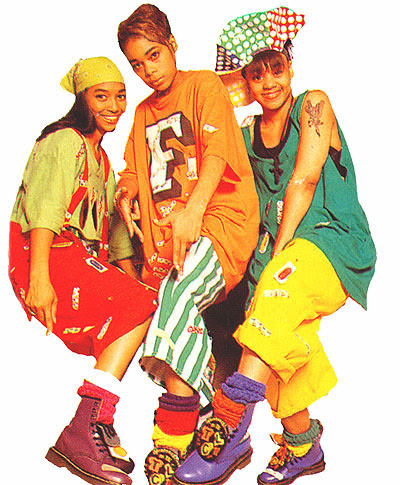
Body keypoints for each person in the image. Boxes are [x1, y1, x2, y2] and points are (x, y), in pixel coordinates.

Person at [174, 7, 376, 485]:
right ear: (246, 80)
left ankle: (228, 428)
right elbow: (216, 178)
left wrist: (276, 255)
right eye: (256, 74)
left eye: (276, 69)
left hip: (329, 242)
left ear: (290, 67)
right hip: (276, 259)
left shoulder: (314, 105)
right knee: (272, 336)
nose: (268, 82)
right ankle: (303, 443)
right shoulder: (245, 135)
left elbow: (303, 181)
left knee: (274, 295)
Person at [115, 4, 259, 483]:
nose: (148, 71)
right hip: (168, 243)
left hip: (219, 224)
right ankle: (207, 420)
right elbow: (134, 169)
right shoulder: (141, 113)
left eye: (154, 55)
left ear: (173, 44)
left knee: (178, 296)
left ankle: (172, 440)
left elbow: (217, 154)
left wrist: (194, 211)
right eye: (137, 64)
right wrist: (126, 193)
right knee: (161, 317)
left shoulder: (203, 86)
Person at [8, 56, 158, 485]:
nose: (114, 106)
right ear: (82, 100)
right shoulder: (63, 142)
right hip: (47, 254)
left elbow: (117, 236)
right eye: (101, 96)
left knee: (144, 303)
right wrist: (39, 279)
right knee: (139, 304)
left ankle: (96, 422)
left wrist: (136, 286)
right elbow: (44, 212)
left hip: (79, 257)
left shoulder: (103, 161)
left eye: (120, 96)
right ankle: (85, 426)